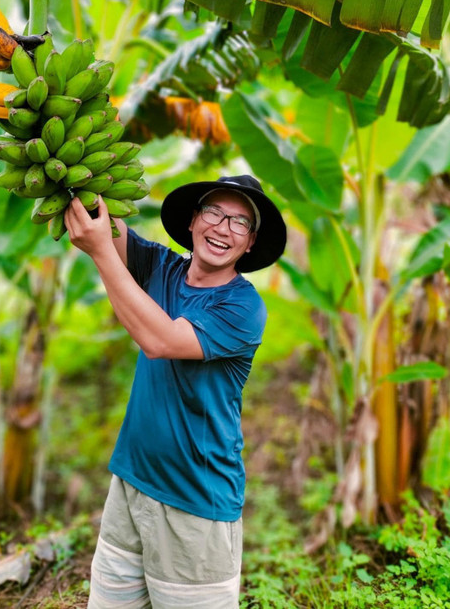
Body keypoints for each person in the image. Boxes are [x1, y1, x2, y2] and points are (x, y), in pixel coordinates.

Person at [64, 173, 287, 609]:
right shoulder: (161, 267)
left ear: (250, 243)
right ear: (192, 221)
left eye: (239, 223)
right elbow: (102, 218)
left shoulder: (242, 307)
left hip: (194, 505)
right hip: (130, 485)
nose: (223, 228)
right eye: (214, 212)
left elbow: (161, 340)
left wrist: (100, 254)